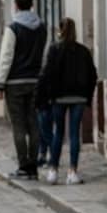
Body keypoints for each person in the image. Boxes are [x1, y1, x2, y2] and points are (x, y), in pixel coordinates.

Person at [36, 18, 97, 185]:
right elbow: (93, 74)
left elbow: (46, 74)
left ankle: (53, 171)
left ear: (60, 30)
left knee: (58, 133)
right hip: (78, 97)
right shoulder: (83, 51)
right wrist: (87, 96)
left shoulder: (54, 49)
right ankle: (72, 171)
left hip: (58, 98)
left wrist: (44, 96)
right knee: (74, 134)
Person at [0, 0, 47, 180]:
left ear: (16, 5)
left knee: (18, 125)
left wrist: (0, 83)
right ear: (31, 5)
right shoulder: (42, 27)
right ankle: (33, 165)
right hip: (34, 81)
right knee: (34, 123)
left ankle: (23, 165)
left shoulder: (13, 28)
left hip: (14, 82)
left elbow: (6, 57)